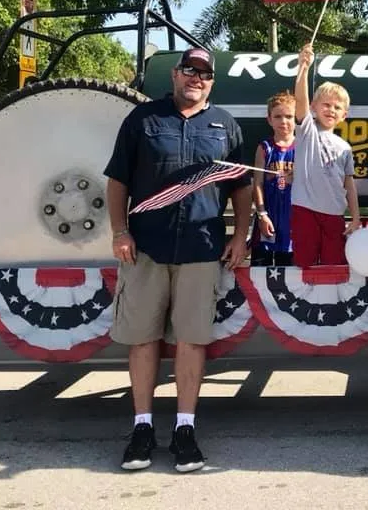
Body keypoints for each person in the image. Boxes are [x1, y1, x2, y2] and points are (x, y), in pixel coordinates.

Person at [104, 47, 252, 473]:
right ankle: (142, 427)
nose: (197, 78)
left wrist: (241, 236)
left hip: (202, 249)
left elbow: (241, 187)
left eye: (204, 73)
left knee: (192, 339)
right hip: (146, 247)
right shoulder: (143, 119)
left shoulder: (225, 125)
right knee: (144, 337)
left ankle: (185, 429)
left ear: (212, 81)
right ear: (175, 75)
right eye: (190, 70)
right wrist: (119, 231)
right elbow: (117, 180)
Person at [292, 42, 360, 266]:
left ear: (344, 114)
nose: (331, 110)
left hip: (334, 214)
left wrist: (356, 216)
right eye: (326, 104)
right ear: (314, 106)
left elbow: (348, 184)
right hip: (305, 209)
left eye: (337, 107)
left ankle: (331, 303)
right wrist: (303, 68)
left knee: (334, 265)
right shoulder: (306, 130)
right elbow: (299, 100)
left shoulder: (345, 147)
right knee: (305, 264)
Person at [252, 91, 296, 266]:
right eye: (278, 116)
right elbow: (257, 183)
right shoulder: (265, 148)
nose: (283, 121)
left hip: (292, 218)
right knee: (260, 269)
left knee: (289, 270)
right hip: (269, 216)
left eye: (289, 116)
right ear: (269, 120)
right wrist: (262, 214)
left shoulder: (302, 147)